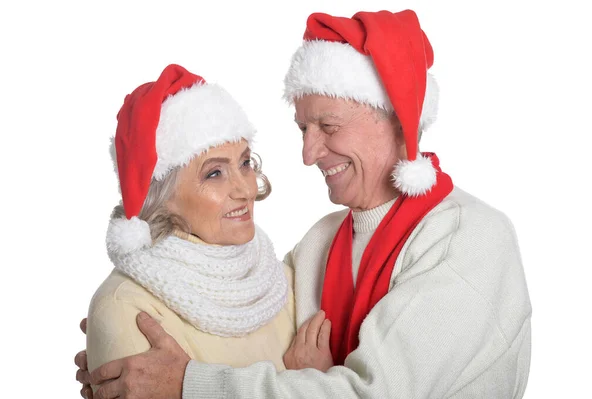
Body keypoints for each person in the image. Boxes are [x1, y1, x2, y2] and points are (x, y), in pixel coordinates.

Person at [75, 10, 531, 398]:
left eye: (328, 127)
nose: (308, 154)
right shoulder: (319, 244)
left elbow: (366, 393)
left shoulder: (469, 241)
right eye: (302, 129)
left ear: (394, 117)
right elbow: (247, 332)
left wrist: (188, 384)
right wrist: (119, 351)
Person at [80, 64, 334, 398]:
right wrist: (311, 387)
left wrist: (317, 386)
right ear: (161, 196)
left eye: (244, 162)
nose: (245, 188)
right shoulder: (127, 308)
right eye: (214, 174)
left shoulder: (282, 280)